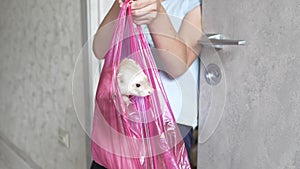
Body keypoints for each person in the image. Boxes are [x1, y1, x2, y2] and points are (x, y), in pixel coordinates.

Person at [91, 0, 203, 168]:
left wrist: (157, 17)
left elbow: (177, 67)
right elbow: (100, 49)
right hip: (122, 118)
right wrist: (120, 5)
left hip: (169, 125)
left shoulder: (193, 5)